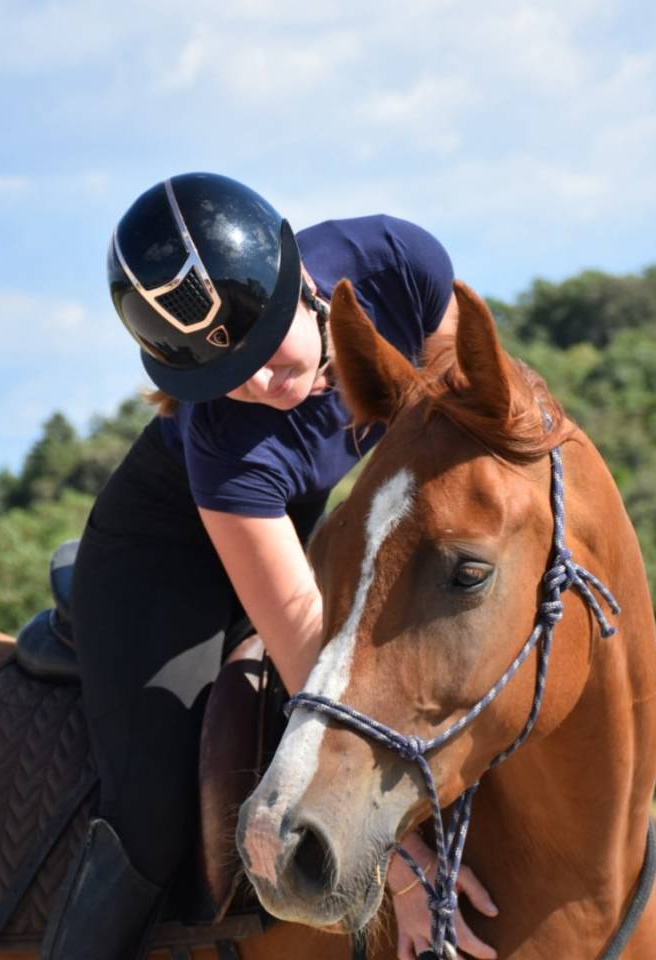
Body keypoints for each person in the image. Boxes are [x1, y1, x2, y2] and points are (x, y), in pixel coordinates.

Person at [40, 172, 498, 960]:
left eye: (259, 348)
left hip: (313, 537)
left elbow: (458, 431)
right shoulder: (226, 443)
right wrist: (396, 865)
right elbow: (320, 673)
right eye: (216, 377)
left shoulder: (398, 264)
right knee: (151, 812)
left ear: (299, 280)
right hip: (166, 565)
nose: (253, 383)